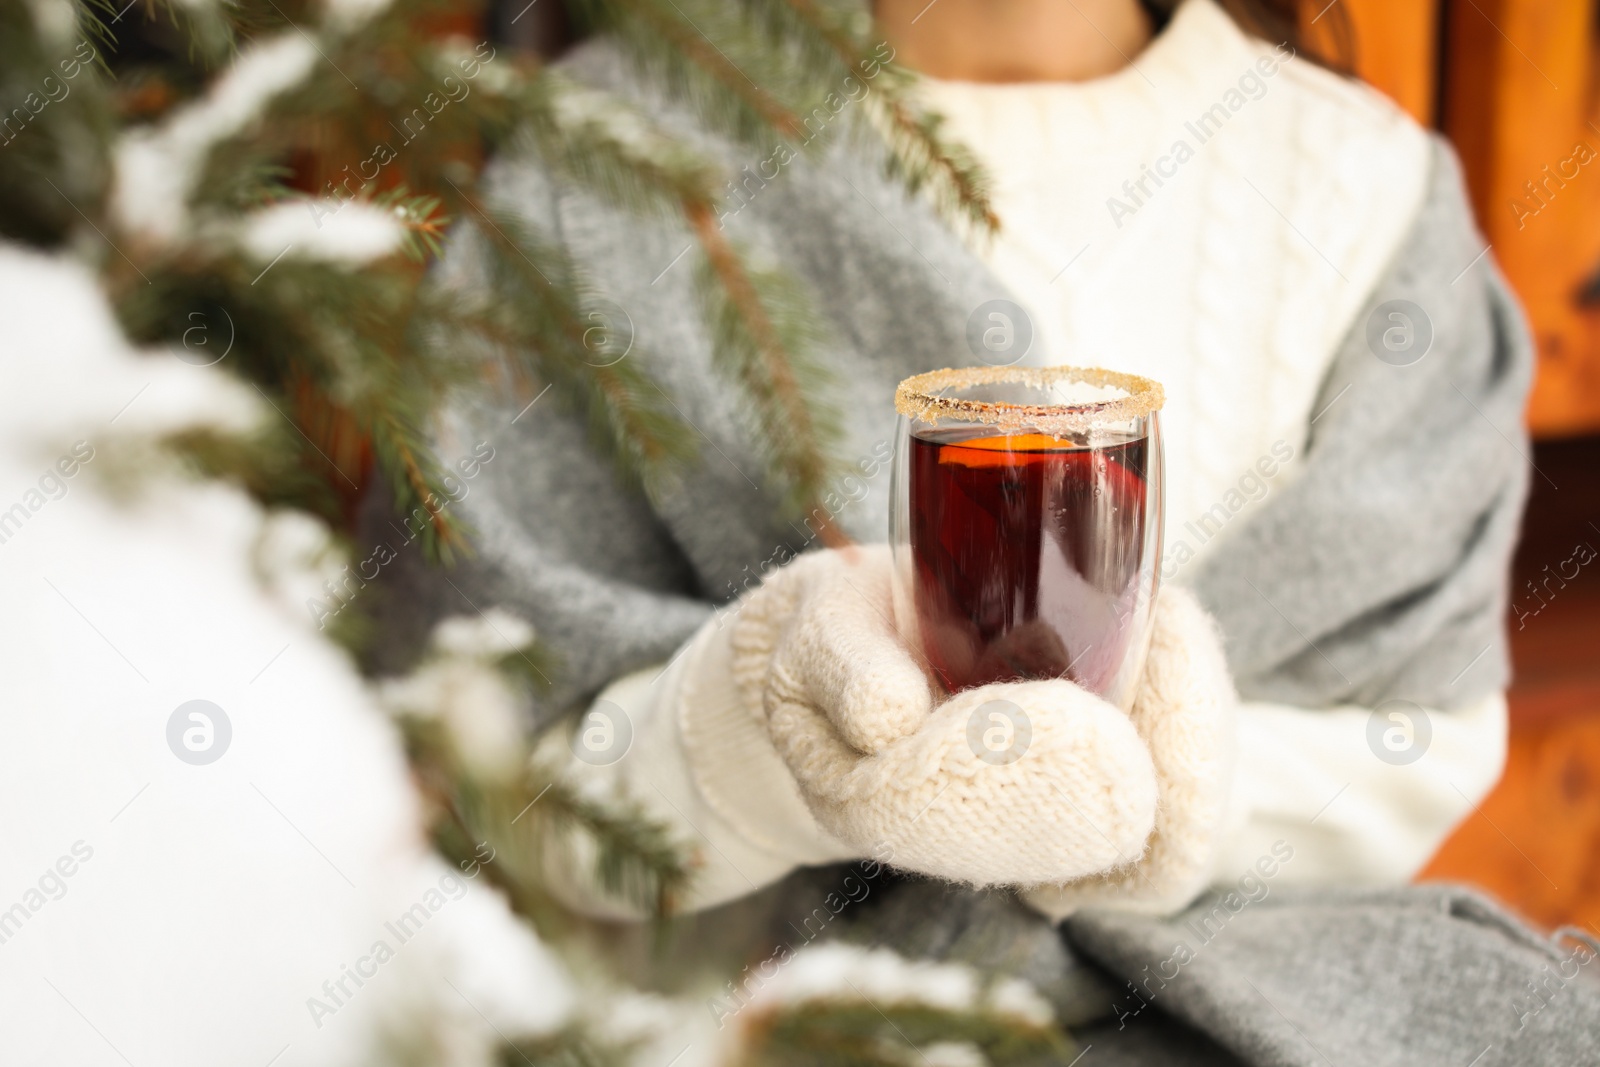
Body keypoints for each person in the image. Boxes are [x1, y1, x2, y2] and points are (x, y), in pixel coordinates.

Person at [369, 0, 1589, 1061]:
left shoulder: (1368, 192)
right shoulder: (609, 172)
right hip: (752, 1012)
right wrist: (761, 737)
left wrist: (1169, 795)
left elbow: (1415, 732)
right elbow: (473, 753)